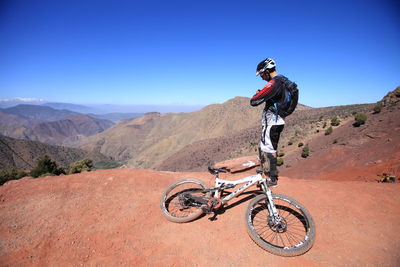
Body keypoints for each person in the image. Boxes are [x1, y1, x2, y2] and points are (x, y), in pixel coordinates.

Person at [250, 58, 293, 186]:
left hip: (271, 121)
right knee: (271, 146)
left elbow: (254, 101)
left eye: (262, 74)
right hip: (279, 120)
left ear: (267, 71)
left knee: (268, 148)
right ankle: (270, 175)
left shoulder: (273, 83)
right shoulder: (284, 80)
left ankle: (272, 178)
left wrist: (257, 94)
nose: (261, 77)